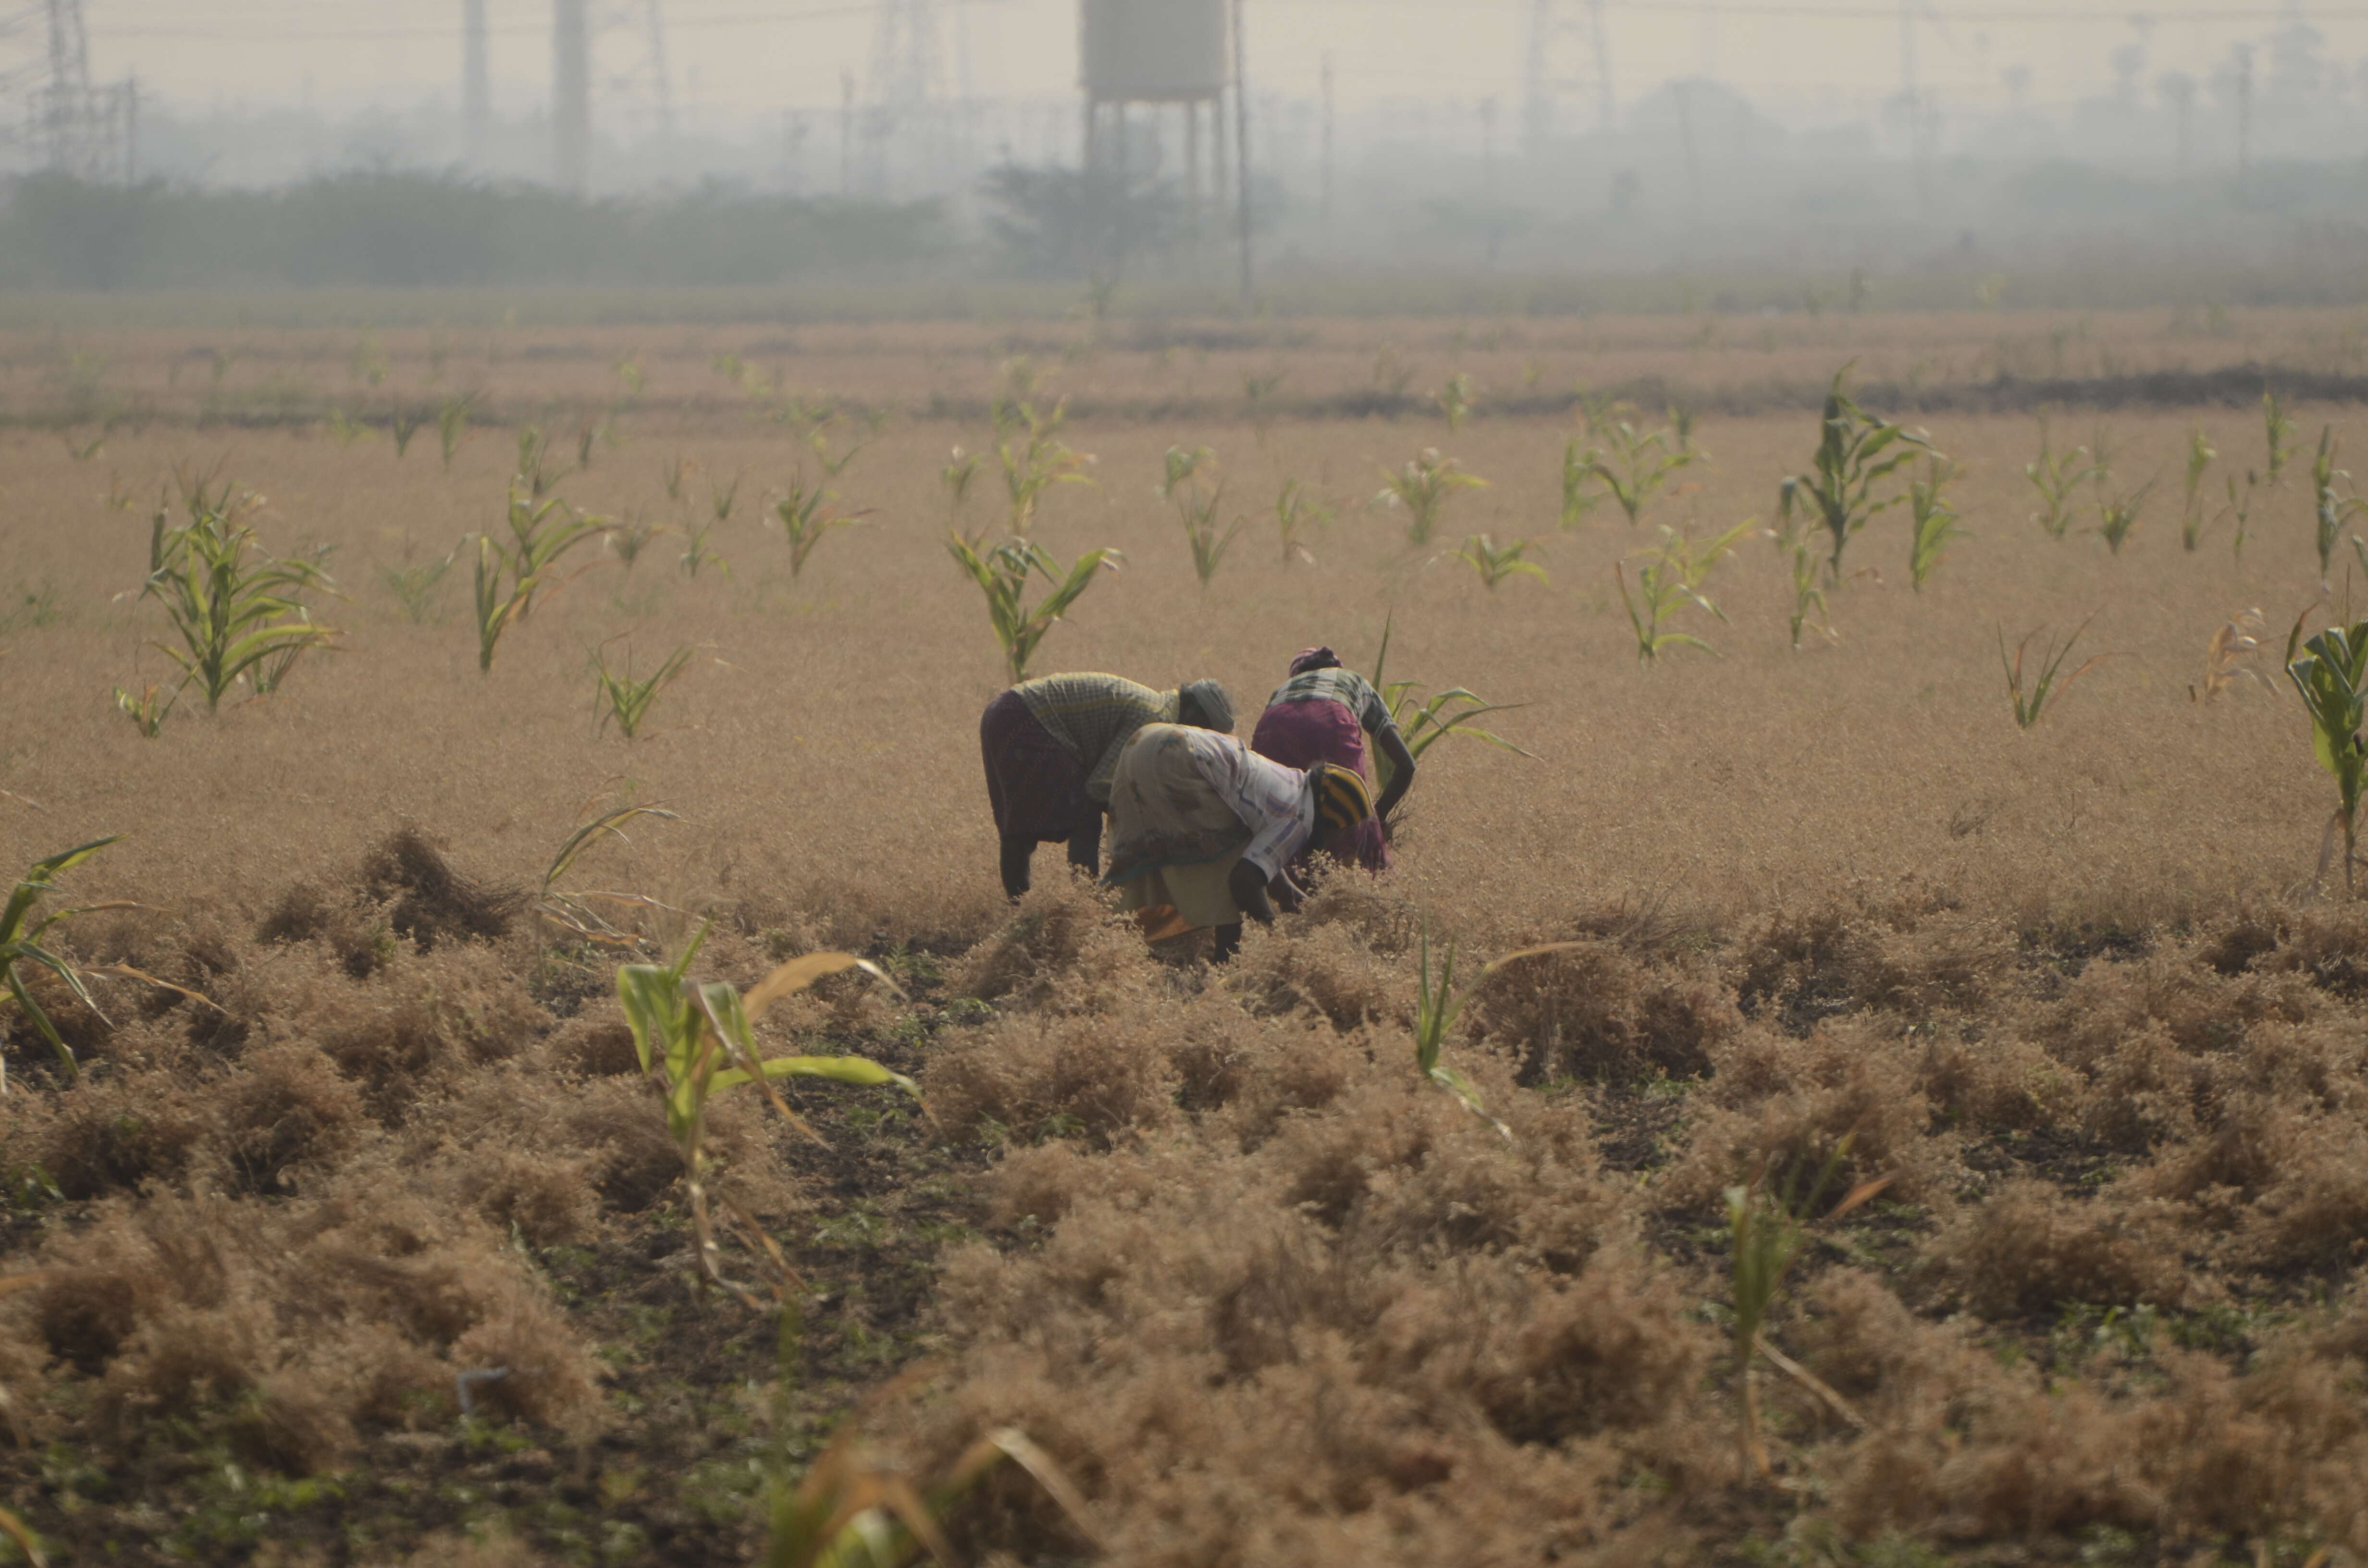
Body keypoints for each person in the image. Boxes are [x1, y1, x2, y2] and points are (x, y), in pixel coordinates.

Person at [1102, 721, 1377, 963]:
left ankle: (1101, 938)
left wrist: (1300, 905)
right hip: (1179, 760)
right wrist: (1276, 933)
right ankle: (1225, 964)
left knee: (1144, 852)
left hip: (1145, 742)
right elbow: (1245, 879)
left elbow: (1262, 859)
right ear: (1332, 820)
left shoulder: (1291, 782)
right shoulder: (1300, 816)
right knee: (1228, 866)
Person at [979, 673, 1234, 900]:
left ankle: (1019, 909)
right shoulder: (1153, 720)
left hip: (1006, 712)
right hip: (1026, 718)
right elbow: (1100, 787)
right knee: (1083, 819)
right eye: (1202, 731)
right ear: (1193, 715)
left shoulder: (1157, 712)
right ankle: (1084, 905)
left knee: (1019, 829)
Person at [1248, 647, 1412, 872]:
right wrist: (1374, 819)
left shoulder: (1281, 692)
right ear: (1337, 669)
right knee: (1354, 822)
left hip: (1273, 726)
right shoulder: (1352, 680)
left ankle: (1290, 893)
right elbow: (1406, 765)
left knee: (1280, 819)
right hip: (1332, 721)